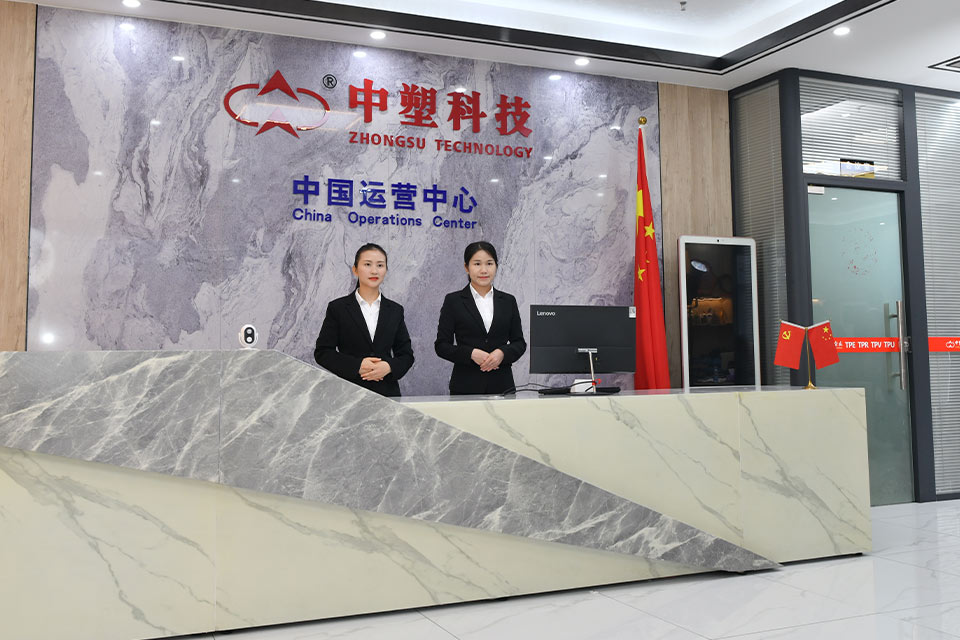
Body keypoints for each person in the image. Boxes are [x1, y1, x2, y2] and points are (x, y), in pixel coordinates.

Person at [314, 243, 414, 397]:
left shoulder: (395, 310)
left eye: (380, 265)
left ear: (386, 270)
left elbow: (406, 355)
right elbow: (323, 352)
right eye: (367, 264)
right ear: (355, 269)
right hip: (348, 395)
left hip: (387, 395)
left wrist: (388, 366)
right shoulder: (338, 308)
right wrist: (356, 366)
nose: (374, 271)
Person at [435, 241, 526, 395]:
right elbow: (442, 346)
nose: (484, 270)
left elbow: (519, 343)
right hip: (465, 386)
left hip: (502, 386)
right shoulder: (453, 301)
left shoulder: (508, 301)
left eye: (489, 263)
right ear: (466, 267)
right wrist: (470, 354)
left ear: (496, 266)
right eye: (477, 264)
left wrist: (502, 353)